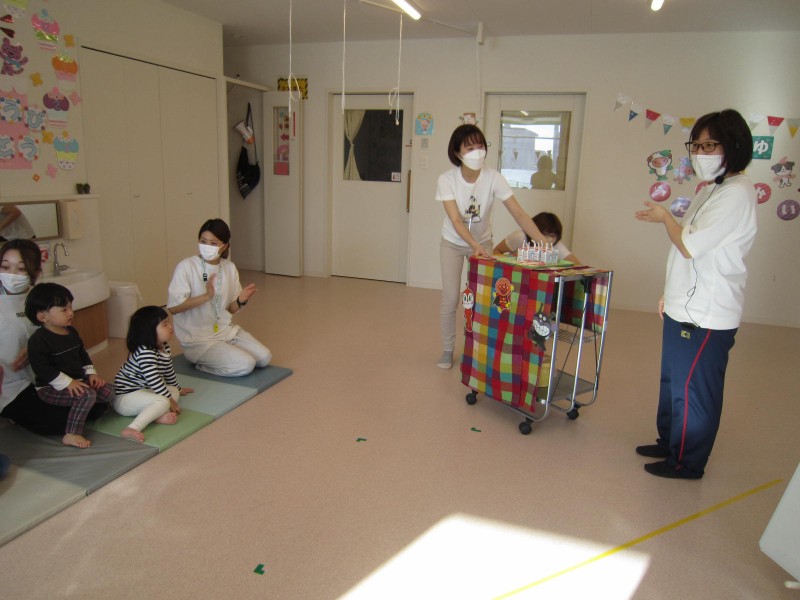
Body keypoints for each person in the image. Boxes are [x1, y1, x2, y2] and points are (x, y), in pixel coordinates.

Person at [634, 108, 757, 480]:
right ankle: (669, 440)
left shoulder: (737, 194)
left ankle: (686, 462)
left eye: (710, 145)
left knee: (694, 390)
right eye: (697, 146)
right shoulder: (712, 189)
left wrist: (665, 218)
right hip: (684, 305)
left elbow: (688, 245)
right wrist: (669, 294)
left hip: (707, 312)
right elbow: (687, 249)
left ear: (733, 146)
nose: (701, 153)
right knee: (673, 380)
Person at [435, 124, 547, 369]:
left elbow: (519, 213)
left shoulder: (494, 178)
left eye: (480, 146)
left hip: (483, 242)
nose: (477, 152)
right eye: (470, 147)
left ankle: (477, 348)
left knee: (482, 299)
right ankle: (447, 349)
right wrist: (473, 245)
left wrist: (542, 240)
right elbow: (456, 220)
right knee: (451, 298)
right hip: (453, 243)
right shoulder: (447, 179)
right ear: (457, 152)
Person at [1, 240, 108, 445]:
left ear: (34, 271)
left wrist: (33, 348)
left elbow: (65, 336)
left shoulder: (41, 298)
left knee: (96, 403)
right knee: (59, 420)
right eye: (5, 267)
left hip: (50, 377)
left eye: (21, 269)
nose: (11, 274)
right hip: (13, 384)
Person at [167, 218, 272, 377]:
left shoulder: (229, 267)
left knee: (264, 358)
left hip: (225, 332)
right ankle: (202, 365)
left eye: (213, 243)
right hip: (198, 340)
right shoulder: (187, 266)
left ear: (225, 246)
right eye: (203, 241)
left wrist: (241, 300)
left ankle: (225, 351)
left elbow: (231, 309)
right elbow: (174, 308)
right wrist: (206, 296)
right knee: (246, 365)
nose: (207, 246)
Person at [24, 282, 114, 449]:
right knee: (86, 396)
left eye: (71, 307)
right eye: (64, 310)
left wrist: (91, 374)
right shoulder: (38, 340)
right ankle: (72, 433)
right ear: (43, 317)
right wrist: (68, 383)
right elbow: (42, 369)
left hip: (77, 380)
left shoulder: (71, 331)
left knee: (108, 390)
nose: (71, 313)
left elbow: (82, 355)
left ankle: (87, 407)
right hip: (50, 387)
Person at [113, 306, 194, 442]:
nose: (170, 327)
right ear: (149, 332)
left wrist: (178, 388)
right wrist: (170, 400)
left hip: (143, 390)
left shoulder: (163, 346)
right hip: (125, 397)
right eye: (165, 324)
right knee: (164, 400)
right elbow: (154, 379)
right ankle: (132, 428)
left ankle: (156, 415)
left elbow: (168, 371)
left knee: (172, 391)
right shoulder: (145, 352)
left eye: (168, 322)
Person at [493, 212, 581, 264]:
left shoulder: (554, 244)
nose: (550, 239)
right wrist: (509, 261)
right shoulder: (520, 237)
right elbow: (497, 251)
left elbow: (577, 265)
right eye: (546, 235)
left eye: (554, 236)